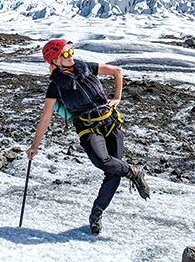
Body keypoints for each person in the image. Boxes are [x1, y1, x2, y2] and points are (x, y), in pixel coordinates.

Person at [26, 39, 150, 235]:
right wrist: (34, 146)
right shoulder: (55, 87)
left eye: (70, 51)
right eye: (65, 54)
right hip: (88, 128)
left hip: (111, 122)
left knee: (113, 175)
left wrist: (117, 97)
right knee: (104, 161)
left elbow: (117, 71)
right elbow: (46, 116)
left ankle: (96, 216)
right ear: (55, 61)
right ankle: (133, 172)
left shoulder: (87, 67)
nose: (71, 56)